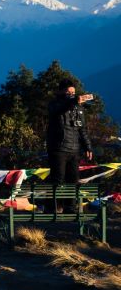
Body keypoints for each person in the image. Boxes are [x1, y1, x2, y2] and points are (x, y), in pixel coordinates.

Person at [45, 79, 93, 212]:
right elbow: (59, 109)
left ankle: (70, 207)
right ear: (60, 91)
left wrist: (87, 146)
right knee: (57, 179)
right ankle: (51, 207)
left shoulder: (79, 108)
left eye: (73, 92)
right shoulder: (54, 105)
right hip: (58, 148)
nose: (71, 94)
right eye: (68, 92)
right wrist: (73, 101)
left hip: (74, 149)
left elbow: (82, 129)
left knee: (73, 180)